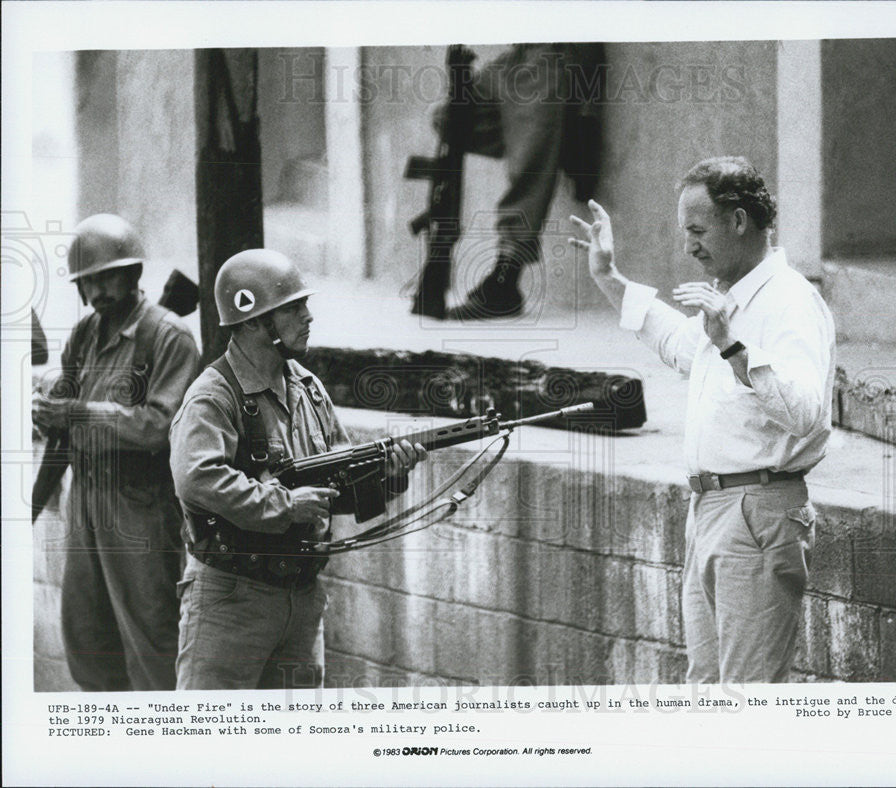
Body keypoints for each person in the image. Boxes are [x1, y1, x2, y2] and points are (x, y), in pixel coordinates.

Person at [570, 157, 836, 683]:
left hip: (757, 508)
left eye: (697, 230)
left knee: (745, 698)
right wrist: (609, 276)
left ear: (738, 222)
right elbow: (680, 344)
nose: (689, 246)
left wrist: (732, 345)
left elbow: (806, 413)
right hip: (712, 508)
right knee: (707, 691)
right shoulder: (731, 300)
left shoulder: (790, 303)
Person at [169, 249, 425, 690]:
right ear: (252, 322)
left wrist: (391, 473)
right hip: (231, 602)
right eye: (292, 309)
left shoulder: (306, 387)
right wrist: (285, 504)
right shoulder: (214, 397)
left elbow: (340, 479)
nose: (308, 317)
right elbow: (197, 478)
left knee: (297, 747)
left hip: (301, 598)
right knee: (210, 743)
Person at [31, 213, 201, 691]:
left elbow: (160, 426)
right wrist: (47, 414)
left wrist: (76, 414)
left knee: (152, 635)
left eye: (108, 276)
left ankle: (166, 744)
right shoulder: (86, 334)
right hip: (85, 496)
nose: (98, 290)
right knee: (87, 636)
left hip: (140, 501)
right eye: (88, 281)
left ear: (133, 275)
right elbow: (64, 416)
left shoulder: (168, 336)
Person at [443, 43, 605, 319]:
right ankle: (556, 139)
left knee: (528, 160)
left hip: (551, 53)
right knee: (447, 118)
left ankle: (506, 279)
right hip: (517, 57)